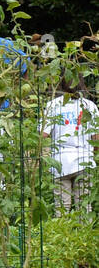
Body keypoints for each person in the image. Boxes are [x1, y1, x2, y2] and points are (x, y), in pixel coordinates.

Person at [43, 74, 97, 211]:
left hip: (60, 161)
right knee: (84, 207)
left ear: (62, 84)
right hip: (84, 159)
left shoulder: (54, 105)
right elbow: (96, 139)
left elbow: (43, 135)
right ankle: (84, 232)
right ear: (82, 84)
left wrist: (45, 158)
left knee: (61, 207)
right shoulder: (89, 106)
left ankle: (63, 231)